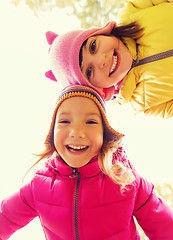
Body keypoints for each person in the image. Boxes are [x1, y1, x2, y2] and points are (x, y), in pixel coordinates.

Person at [0, 84, 173, 240]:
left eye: (90, 122)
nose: (76, 132)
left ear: (104, 133)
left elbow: (166, 228)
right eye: (65, 121)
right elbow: (5, 218)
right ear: (52, 133)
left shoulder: (127, 180)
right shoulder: (39, 184)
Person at [45, 0, 173, 119]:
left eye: (93, 46)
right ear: (99, 89)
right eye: (89, 71)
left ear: (102, 33)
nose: (101, 60)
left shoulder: (134, 11)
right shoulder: (142, 103)